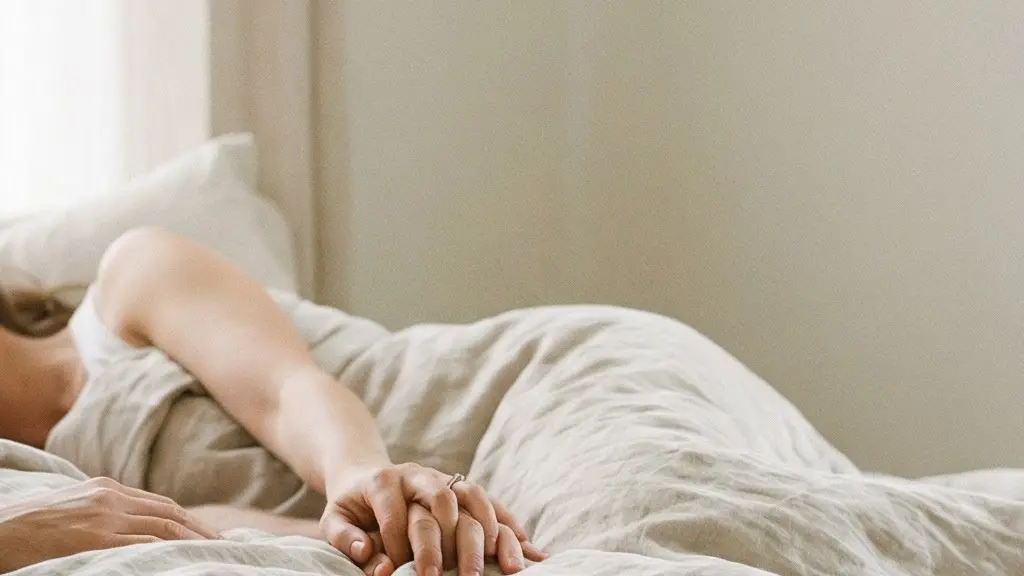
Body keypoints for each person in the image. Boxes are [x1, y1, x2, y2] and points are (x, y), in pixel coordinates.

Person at [0, 227, 545, 576]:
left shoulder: (129, 283)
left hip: (521, 393)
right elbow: (207, 534)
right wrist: (384, 532)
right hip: (463, 522)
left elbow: (284, 393)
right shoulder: (36, 493)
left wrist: (364, 477)